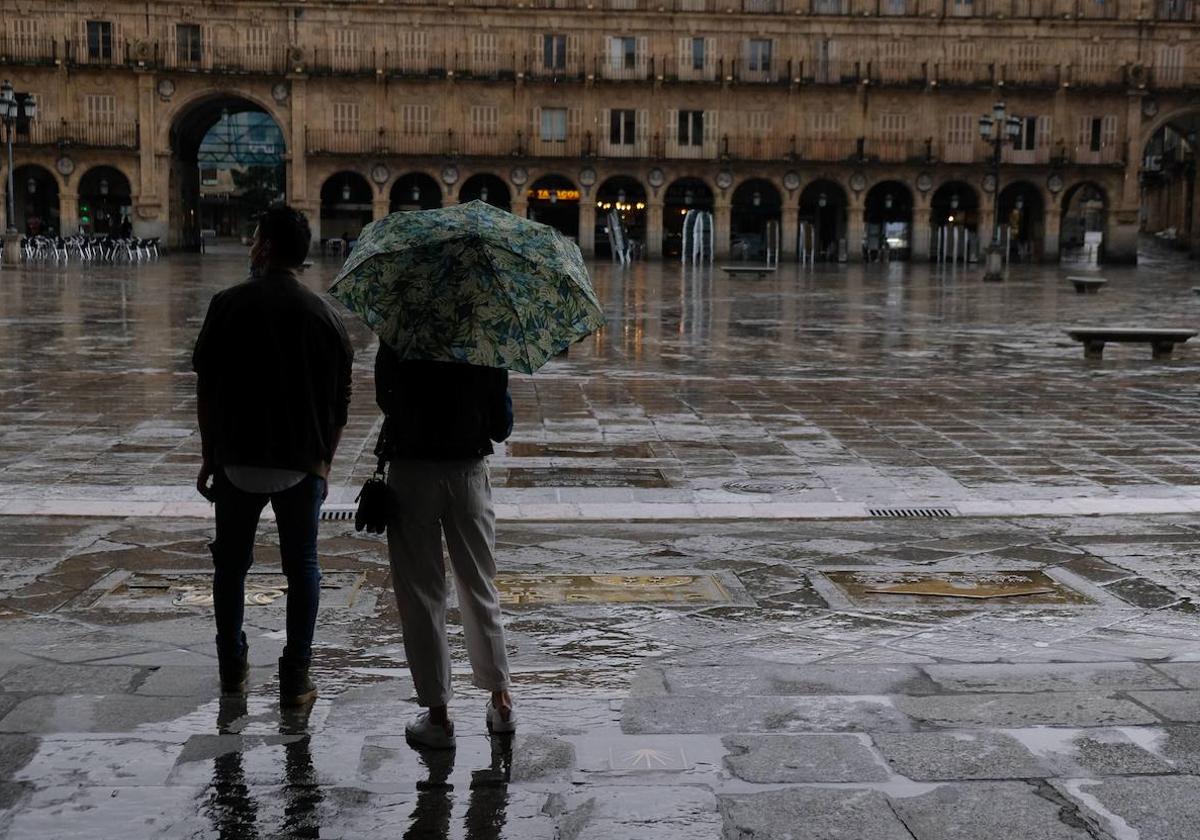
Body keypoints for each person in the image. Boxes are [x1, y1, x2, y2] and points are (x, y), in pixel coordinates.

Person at [192, 204, 353, 706]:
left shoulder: (226, 304)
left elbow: (207, 389)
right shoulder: (326, 317)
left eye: (253, 236)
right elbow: (341, 405)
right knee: (303, 565)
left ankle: (232, 667)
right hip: (301, 463)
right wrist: (323, 463)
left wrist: (208, 456)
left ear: (263, 247)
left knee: (231, 566)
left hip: (236, 459)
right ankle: (297, 675)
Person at [375, 349, 516, 749]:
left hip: (412, 471)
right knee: (479, 585)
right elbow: (501, 426)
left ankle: (437, 718)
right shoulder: (484, 335)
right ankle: (501, 702)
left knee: (421, 593)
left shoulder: (401, 330)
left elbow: (387, 398)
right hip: (467, 471)